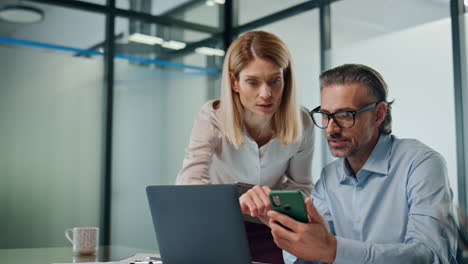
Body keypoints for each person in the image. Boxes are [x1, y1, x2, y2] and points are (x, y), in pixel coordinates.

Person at [267, 64, 457, 263]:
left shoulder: (421, 164)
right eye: (325, 115)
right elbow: (314, 255)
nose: (331, 129)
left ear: (378, 114)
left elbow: (430, 255)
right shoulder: (328, 178)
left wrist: (333, 250)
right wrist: (285, 227)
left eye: (345, 115)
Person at [175, 31, 315, 264]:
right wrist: (233, 206)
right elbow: (188, 186)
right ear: (234, 82)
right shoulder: (212, 117)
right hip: (219, 225)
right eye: (252, 82)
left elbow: (303, 188)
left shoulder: (303, 122)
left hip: (275, 227)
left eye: (274, 80)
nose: (266, 94)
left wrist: (273, 201)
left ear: (286, 78)